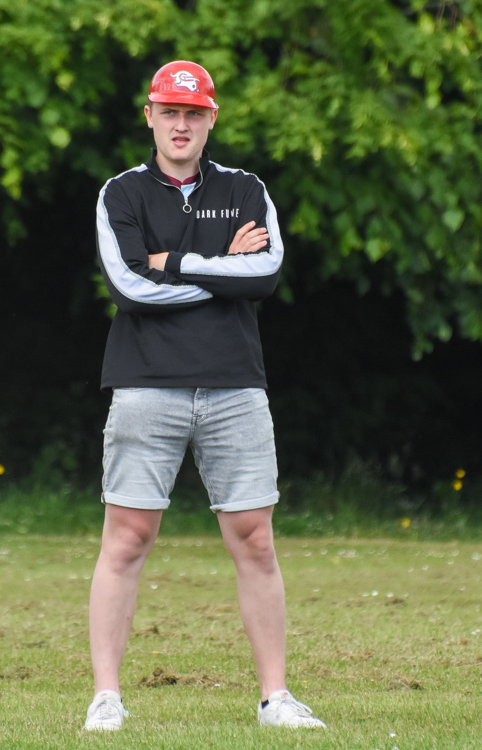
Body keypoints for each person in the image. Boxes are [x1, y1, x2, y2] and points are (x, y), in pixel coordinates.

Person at [84, 60, 325, 732]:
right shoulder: (121, 193)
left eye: (194, 113)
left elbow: (265, 273)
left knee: (256, 540)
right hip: (144, 384)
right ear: (150, 117)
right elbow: (130, 287)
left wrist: (174, 261)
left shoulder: (246, 189)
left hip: (235, 385)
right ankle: (106, 698)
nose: (181, 124)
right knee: (127, 539)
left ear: (211, 119)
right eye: (170, 112)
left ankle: (275, 699)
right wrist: (223, 269)